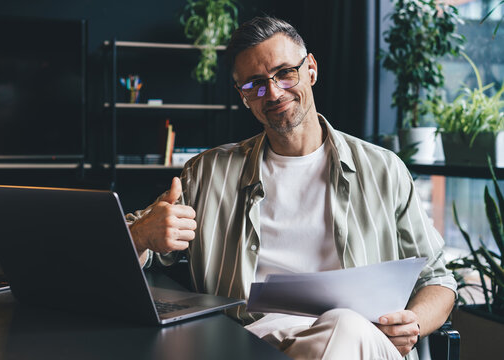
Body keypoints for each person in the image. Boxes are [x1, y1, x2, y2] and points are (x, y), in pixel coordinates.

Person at [126, 16, 456, 360]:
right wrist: (140, 236)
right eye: (254, 84)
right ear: (243, 97)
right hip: (254, 344)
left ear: (310, 68)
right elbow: (118, 244)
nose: (272, 92)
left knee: (346, 326)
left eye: (285, 73)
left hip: (366, 341)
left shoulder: (384, 170)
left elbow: (438, 281)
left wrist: (413, 322)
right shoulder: (207, 174)